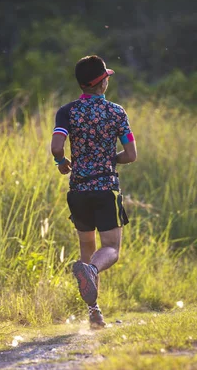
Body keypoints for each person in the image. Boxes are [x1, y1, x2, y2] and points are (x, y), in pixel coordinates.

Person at [51, 55, 137, 329]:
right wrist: (112, 159)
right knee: (110, 248)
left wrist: (61, 162)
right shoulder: (116, 112)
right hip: (106, 189)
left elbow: (56, 147)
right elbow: (131, 155)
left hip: (78, 191)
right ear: (102, 83)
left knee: (87, 251)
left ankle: (95, 314)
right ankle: (92, 272)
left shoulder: (67, 111)